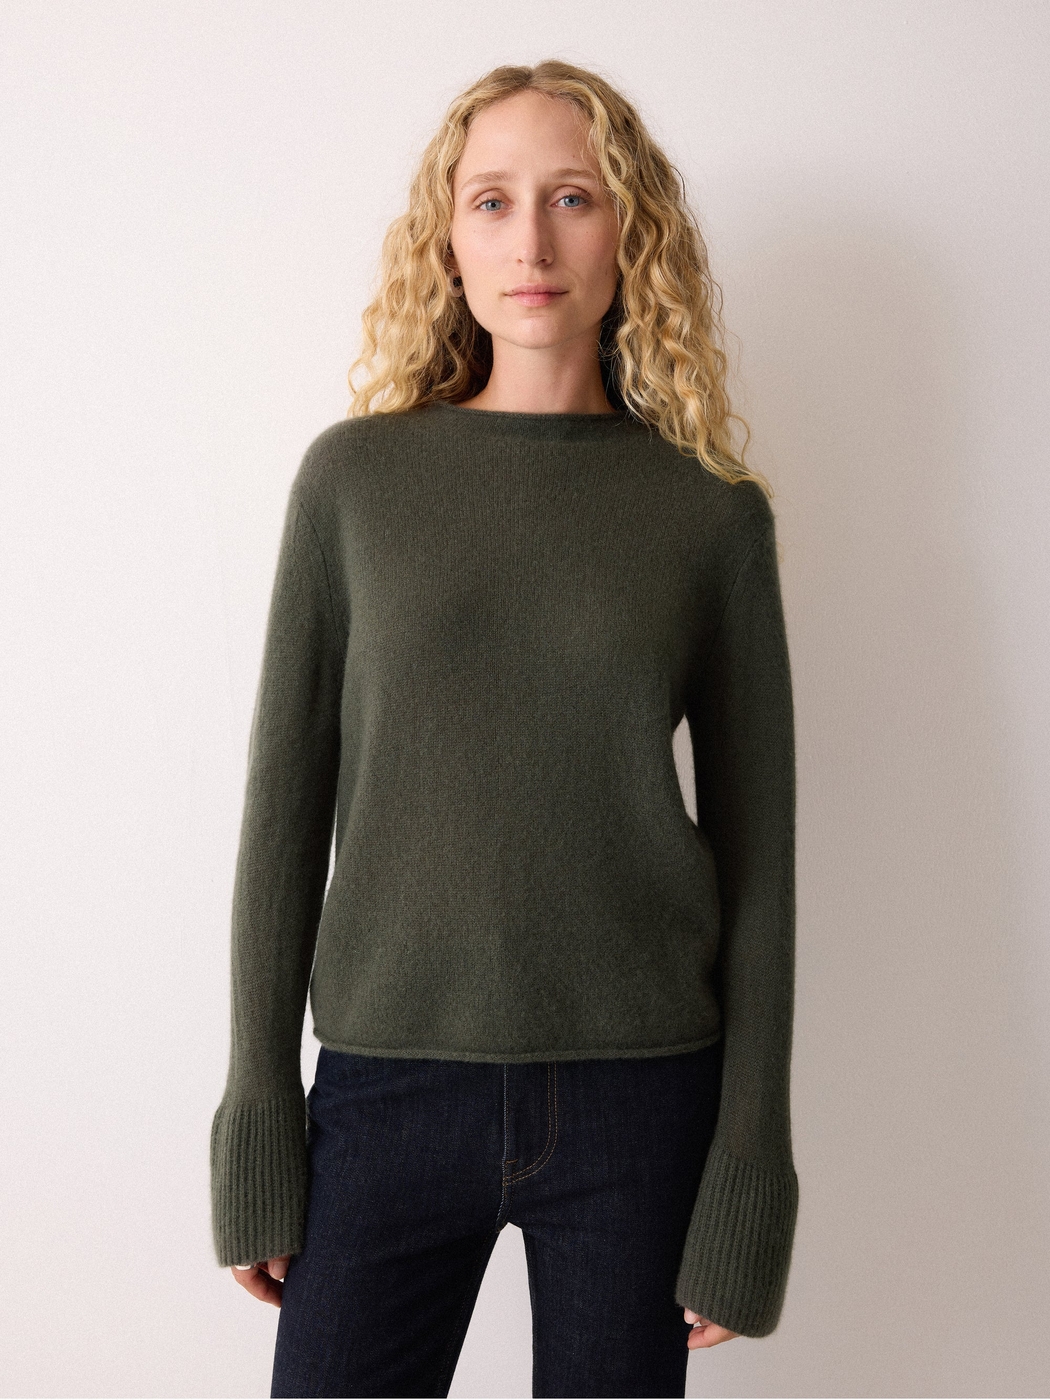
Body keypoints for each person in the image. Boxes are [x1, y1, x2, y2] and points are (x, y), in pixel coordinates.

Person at [209, 58, 800, 1399]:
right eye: (491, 201)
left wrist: (749, 1165)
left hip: (640, 1102)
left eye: (572, 198)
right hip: (384, 1091)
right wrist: (257, 1115)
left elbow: (761, 860)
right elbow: (281, 819)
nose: (530, 242)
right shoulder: (355, 485)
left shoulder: (707, 512)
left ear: (630, 232)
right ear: (449, 239)